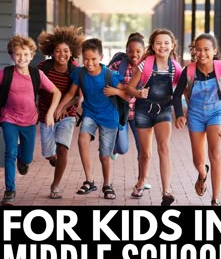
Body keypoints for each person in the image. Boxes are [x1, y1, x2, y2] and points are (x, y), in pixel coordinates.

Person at [54, 38, 128, 200]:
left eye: (93, 59)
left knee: (104, 155)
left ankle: (107, 185)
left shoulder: (110, 75)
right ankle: (89, 180)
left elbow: (126, 94)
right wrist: (60, 107)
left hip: (109, 117)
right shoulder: (80, 73)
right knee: (82, 140)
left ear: (101, 57)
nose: (89, 63)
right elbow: (70, 93)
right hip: (90, 113)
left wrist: (117, 92)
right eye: (85, 59)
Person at [173, 33, 221, 206]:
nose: (202, 53)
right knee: (198, 160)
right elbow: (177, 94)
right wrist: (179, 114)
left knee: (215, 154)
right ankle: (202, 174)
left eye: (206, 49)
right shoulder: (190, 70)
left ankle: (215, 199)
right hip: (195, 115)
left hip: (216, 113)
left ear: (214, 50)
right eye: (198, 50)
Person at [0, 35, 61, 206]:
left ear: (32, 55)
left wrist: (50, 113)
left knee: (26, 158)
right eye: (18, 54)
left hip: (29, 121)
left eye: (26, 54)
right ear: (12, 56)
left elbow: (56, 92)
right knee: (10, 152)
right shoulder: (5, 74)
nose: (22, 58)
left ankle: (23, 159)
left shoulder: (37, 75)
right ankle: (10, 190)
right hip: (8, 118)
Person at [126, 28, 182, 205]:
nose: (162, 46)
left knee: (164, 147)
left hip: (164, 110)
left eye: (166, 43)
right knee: (146, 153)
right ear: (153, 45)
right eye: (159, 43)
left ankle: (166, 191)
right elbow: (129, 88)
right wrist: (139, 93)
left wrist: (181, 113)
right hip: (143, 111)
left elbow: (180, 92)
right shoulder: (145, 64)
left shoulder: (176, 68)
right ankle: (142, 181)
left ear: (172, 45)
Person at [37, 26, 84, 199]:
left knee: (62, 148)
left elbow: (77, 97)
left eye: (65, 51)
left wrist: (63, 108)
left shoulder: (75, 70)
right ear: (52, 52)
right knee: (48, 152)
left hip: (67, 115)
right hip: (45, 115)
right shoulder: (44, 67)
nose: (62, 54)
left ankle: (55, 186)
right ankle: (52, 159)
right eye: (58, 51)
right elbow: (36, 89)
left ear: (71, 52)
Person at [105, 32, 151, 190]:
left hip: (140, 114)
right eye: (131, 51)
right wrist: (123, 91)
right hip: (121, 113)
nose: (134, 54)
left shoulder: (148, 67)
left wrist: (124, 89)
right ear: (126, 50)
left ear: (144, 51)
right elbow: (106, 80)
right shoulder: (119, 66)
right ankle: (115, 148)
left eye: (138, 51)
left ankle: (141, 179)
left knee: (143, 149)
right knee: (122, 148)